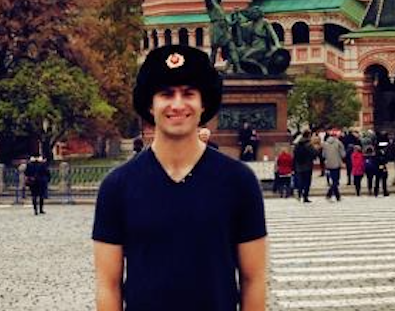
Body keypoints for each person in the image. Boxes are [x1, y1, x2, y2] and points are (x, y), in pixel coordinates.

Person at [93, 45, 266, 311]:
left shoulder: (238, 182)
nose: (177, 104)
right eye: (166, 94)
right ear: (151, 105)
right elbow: (108, 285)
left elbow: (253, 280)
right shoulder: (117, 186)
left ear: (203, 103)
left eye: (188, 93)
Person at [321, 130, 346, 201]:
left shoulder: (325, 144)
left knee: (333, 180)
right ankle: (329, 194)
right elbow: (343, 154)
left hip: (328, 164)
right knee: (336, 181)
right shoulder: (338, 143)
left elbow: (323, 155)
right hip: (336, 163)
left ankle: (338, 196)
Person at [292, 132, 316, 203]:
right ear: (308, 136)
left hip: (299, 166)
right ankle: (305, 197)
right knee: (307, 182)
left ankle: (299, 194)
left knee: (301, 181)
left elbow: (294, 155)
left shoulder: (297, 144)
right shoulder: (309, 145)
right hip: (307, 166)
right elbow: (314, 153)